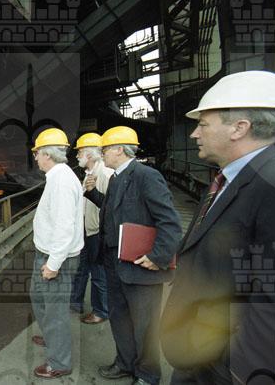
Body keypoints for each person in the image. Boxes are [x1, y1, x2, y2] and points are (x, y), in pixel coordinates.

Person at [160, 70, 275, 385]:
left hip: (223, 368)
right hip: (198, 352)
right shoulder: (231, 179)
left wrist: (239, 372)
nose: (194, 134)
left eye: (203, 124)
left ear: (239, 128)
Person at [85, 126, 182, 385]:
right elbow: (115, 211)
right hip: (115, 262)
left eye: (105, 149)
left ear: (119, 149)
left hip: (141, 265)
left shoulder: (146, 176)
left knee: (145, 326)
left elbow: (169, 221)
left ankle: (148, 375)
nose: (102, 154)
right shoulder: (116, 178)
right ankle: (125, 363)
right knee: (120, 318)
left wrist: (158, 256)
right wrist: (92, 194)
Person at [29, 128, 85, 379]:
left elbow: (64, 227)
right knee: (38, 298)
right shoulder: (57, 176)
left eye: (37, 153)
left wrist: (53, 265)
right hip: (47, 253)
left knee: (55, 311)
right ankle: (52, 337)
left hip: (56, 259)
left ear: (48, 155)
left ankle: (59, 362)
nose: (36, 157)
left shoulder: (61, 181)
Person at [70, 133, 112, 324]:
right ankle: (75, 304)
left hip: (97, 233)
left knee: (98, 273)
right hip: (86, 231)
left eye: (80, 152)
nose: (77, 155)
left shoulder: (106, 174)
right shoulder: (89, 173)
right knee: (81, 269)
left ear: (90, 154)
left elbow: (110, 207)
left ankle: (101, 311)